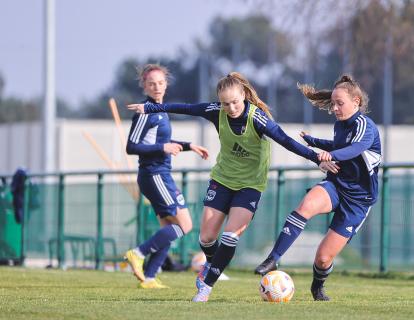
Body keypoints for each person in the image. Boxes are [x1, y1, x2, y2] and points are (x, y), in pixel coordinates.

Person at [127, 72, 321, 302]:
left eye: (235, 102)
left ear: (244, 96)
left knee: (230, 236)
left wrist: (317, 158)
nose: (230, 108)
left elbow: (286, 141)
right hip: (222, 180)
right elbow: (186, 108)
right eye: (225, 103)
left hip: (250, 185)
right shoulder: (216, 111)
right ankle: (211, 265)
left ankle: (205, 287)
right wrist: (149, 108)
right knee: (206, 238)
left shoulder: (257, 118)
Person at [254, 74, 382, 301]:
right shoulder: (340, 125)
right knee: (307, 205)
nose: (334, 108)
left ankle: (317, 287)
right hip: (337, 185)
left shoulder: (365, 126)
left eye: (339, 103)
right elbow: (339, 144)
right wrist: (316, 142)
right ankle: (273, 258)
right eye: (332, 103)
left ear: (357, 102)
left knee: (323, 259)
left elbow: (355, 148)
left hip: (358, 201)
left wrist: (329, 154)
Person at [124, 64, 209, 289]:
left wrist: (189, 145)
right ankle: (138, 253)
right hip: (154, 175)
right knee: (185, 225)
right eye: (151, 83)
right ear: (144, 86)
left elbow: (162, 143)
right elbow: (131, 147)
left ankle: (150, 277)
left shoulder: (160, 110)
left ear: (166, 84)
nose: (157, 87)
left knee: (168, 227)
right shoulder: (145, 111)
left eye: (161, 82)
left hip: (160, 174)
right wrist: (163, 148)